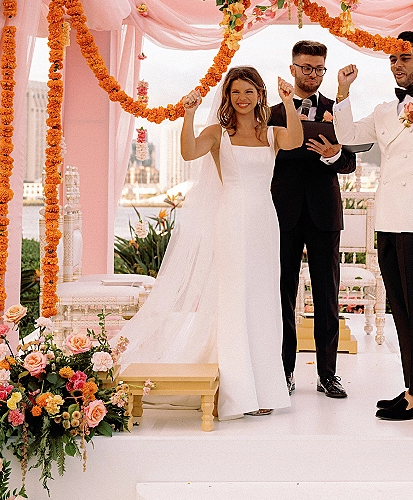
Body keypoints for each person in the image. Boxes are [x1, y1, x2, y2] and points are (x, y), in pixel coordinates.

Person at [116, 66, 303, 421]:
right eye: (235, 92)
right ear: (227, 97)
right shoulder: (218, 133)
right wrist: (187, 114)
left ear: (259, 95)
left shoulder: (272, 133)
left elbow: (295, 140)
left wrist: (288, 101)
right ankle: (239, 391)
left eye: (249, 91)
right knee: (234, 299)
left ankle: (266, 389)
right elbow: (188, 152)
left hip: (265, 221)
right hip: (231, 220)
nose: (242, 98)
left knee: (264, 301)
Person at [334, 31, 413, 421]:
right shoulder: (386, 109)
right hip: (389, 215)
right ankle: (412, 388)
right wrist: (342, 91)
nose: (398, 64)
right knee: (401, 308)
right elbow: (348, 135)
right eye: (393, 59)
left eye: (406, 57)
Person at [269, 40, 356, 399]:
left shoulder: (338, 109)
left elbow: (350, 161)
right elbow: (264, 160)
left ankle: (328, 374)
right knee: (281, 297)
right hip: (281, 214)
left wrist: (334, 154)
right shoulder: (272, 112)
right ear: (292, 68)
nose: (314, 75)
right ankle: (283, 372)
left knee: (327, 298)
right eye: (307, 68)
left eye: (319, 69)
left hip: (324, 214)